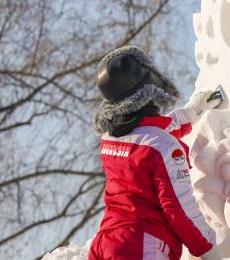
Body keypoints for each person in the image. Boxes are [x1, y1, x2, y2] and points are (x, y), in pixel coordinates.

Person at [89, 46, 222, 260]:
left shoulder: (109, 138)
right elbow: (180, 210)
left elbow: (147, 133)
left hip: (104, 244)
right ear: (148, 88)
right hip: (141, 246)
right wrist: (209, 249)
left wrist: (193, 111)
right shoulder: (163, 147)